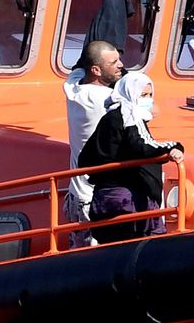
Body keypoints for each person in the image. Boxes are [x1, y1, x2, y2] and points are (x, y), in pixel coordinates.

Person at [76, 71, 184, 243]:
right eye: (143, 95)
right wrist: (173, 146)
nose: (148, 100)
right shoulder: (129, 114)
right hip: (129, 201)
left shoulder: (110, 117)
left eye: (150, 95)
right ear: (131, 93)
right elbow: (141, 145)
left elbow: (86, 157)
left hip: (104, 199)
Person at [61, 40, 124, 236]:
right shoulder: (106, 99)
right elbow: (147, 109)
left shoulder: (72, 88)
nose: (121, 65)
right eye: (114, 62)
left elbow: (77, 71)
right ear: (96, 70)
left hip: (77, 194)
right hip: (96, 197)